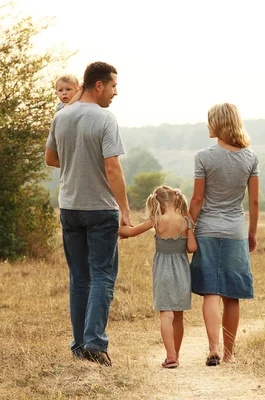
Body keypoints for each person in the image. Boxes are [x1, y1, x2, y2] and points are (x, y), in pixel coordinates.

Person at [45, 62, 132, 366]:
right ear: (98, 86)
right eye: (113, 86)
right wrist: (125, 209)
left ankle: (80, 345)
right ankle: (95, 343)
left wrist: (76, 160)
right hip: (100, 208)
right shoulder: (105, 119)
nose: (115, 92)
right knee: (102, 276)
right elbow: (112, 167)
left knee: (79, 278)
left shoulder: (61, 115)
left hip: (69, 207)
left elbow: (51, 158)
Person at [189, 103, 259, 366]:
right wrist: (251, 233)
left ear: (217, 124)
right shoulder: (250, 158)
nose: (207, 126)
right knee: (232, 295)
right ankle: (229, 355)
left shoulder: (204, 157)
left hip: (206, 229)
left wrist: (188, 227)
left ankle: (213, 348)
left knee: (211, 291)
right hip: (236, 232)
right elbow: (253, 202)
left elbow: (197, 199)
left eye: (210, 121)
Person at [119, 186, 197, 369]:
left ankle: (170, 356)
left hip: (162, 270)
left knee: (166, 313)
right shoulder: (186, 221)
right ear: (176, 200)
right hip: (182, 270)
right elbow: (192, 248)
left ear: (158, 202)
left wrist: (118, 227)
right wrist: (188, 233)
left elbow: (130, 232)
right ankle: (175, 355)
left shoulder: (156, 220)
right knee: (178, 314)